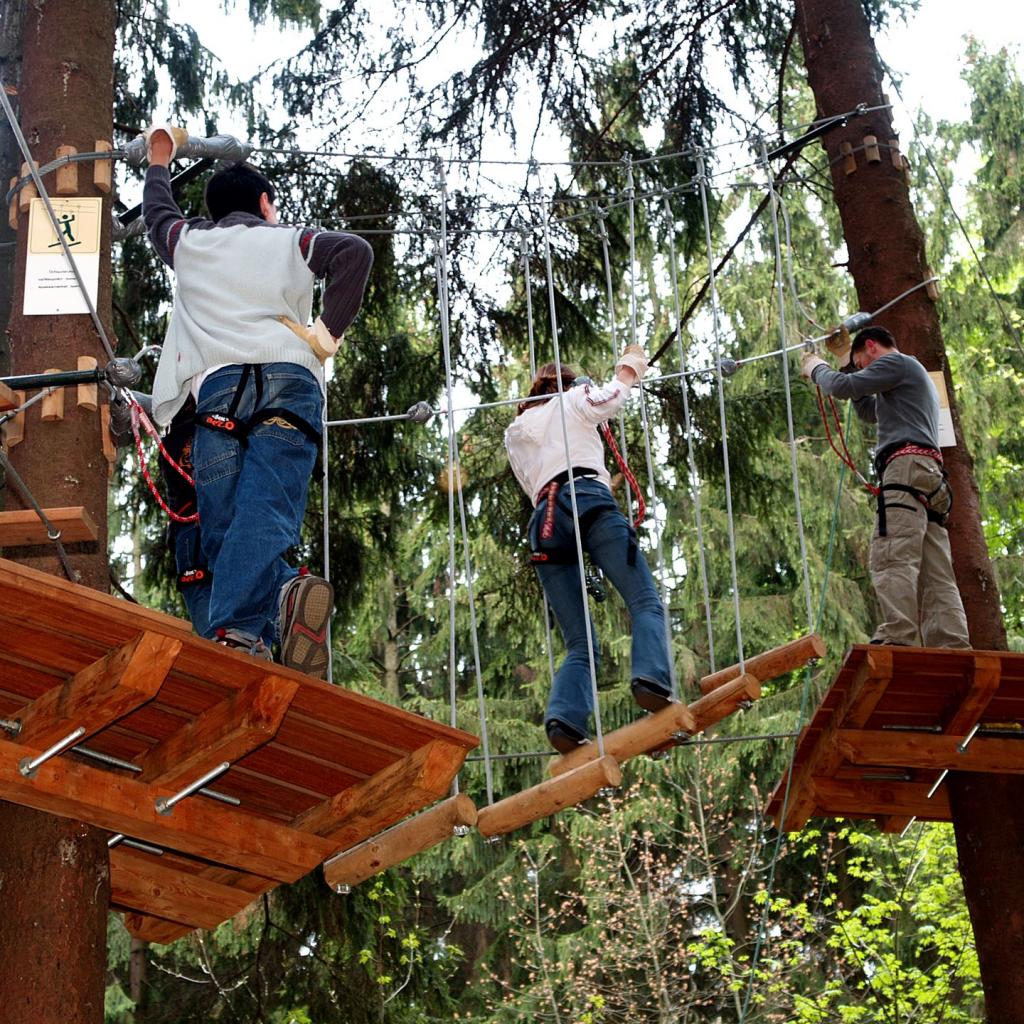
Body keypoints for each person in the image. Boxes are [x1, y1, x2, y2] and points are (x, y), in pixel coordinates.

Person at [141, 126, 374, 677]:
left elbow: (157, 214)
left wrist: (158, 159)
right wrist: (326, 333)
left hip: (219, 389)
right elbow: (355, 254)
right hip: (290, 381)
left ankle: (246, 629)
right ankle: (275, 601)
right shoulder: (289, 239)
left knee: (221, 522)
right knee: (264, 508)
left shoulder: (191, 244)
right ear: (265, 203)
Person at [504, 346, 673, 753]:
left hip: (544, 520)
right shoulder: (574, 400)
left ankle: (564, 719)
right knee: (644, 602)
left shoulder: (517, 431)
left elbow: (534, 483)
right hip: (587, 500)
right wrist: (630, 367)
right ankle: (651, 678)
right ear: (568, 383)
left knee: (580, 643)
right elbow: (611, 398)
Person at [801, 325, 970, 648]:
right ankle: (952, 644)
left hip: (905, 469)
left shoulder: (897, 363)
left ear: (873, 346)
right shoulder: (906, 379)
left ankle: (899, 636)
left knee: (892, 553)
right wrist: (845, 359)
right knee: (935, 570)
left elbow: (844, 388)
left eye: (863, 361)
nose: (865, 369)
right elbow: (866, 409)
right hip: (929, 476)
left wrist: (815, 367)